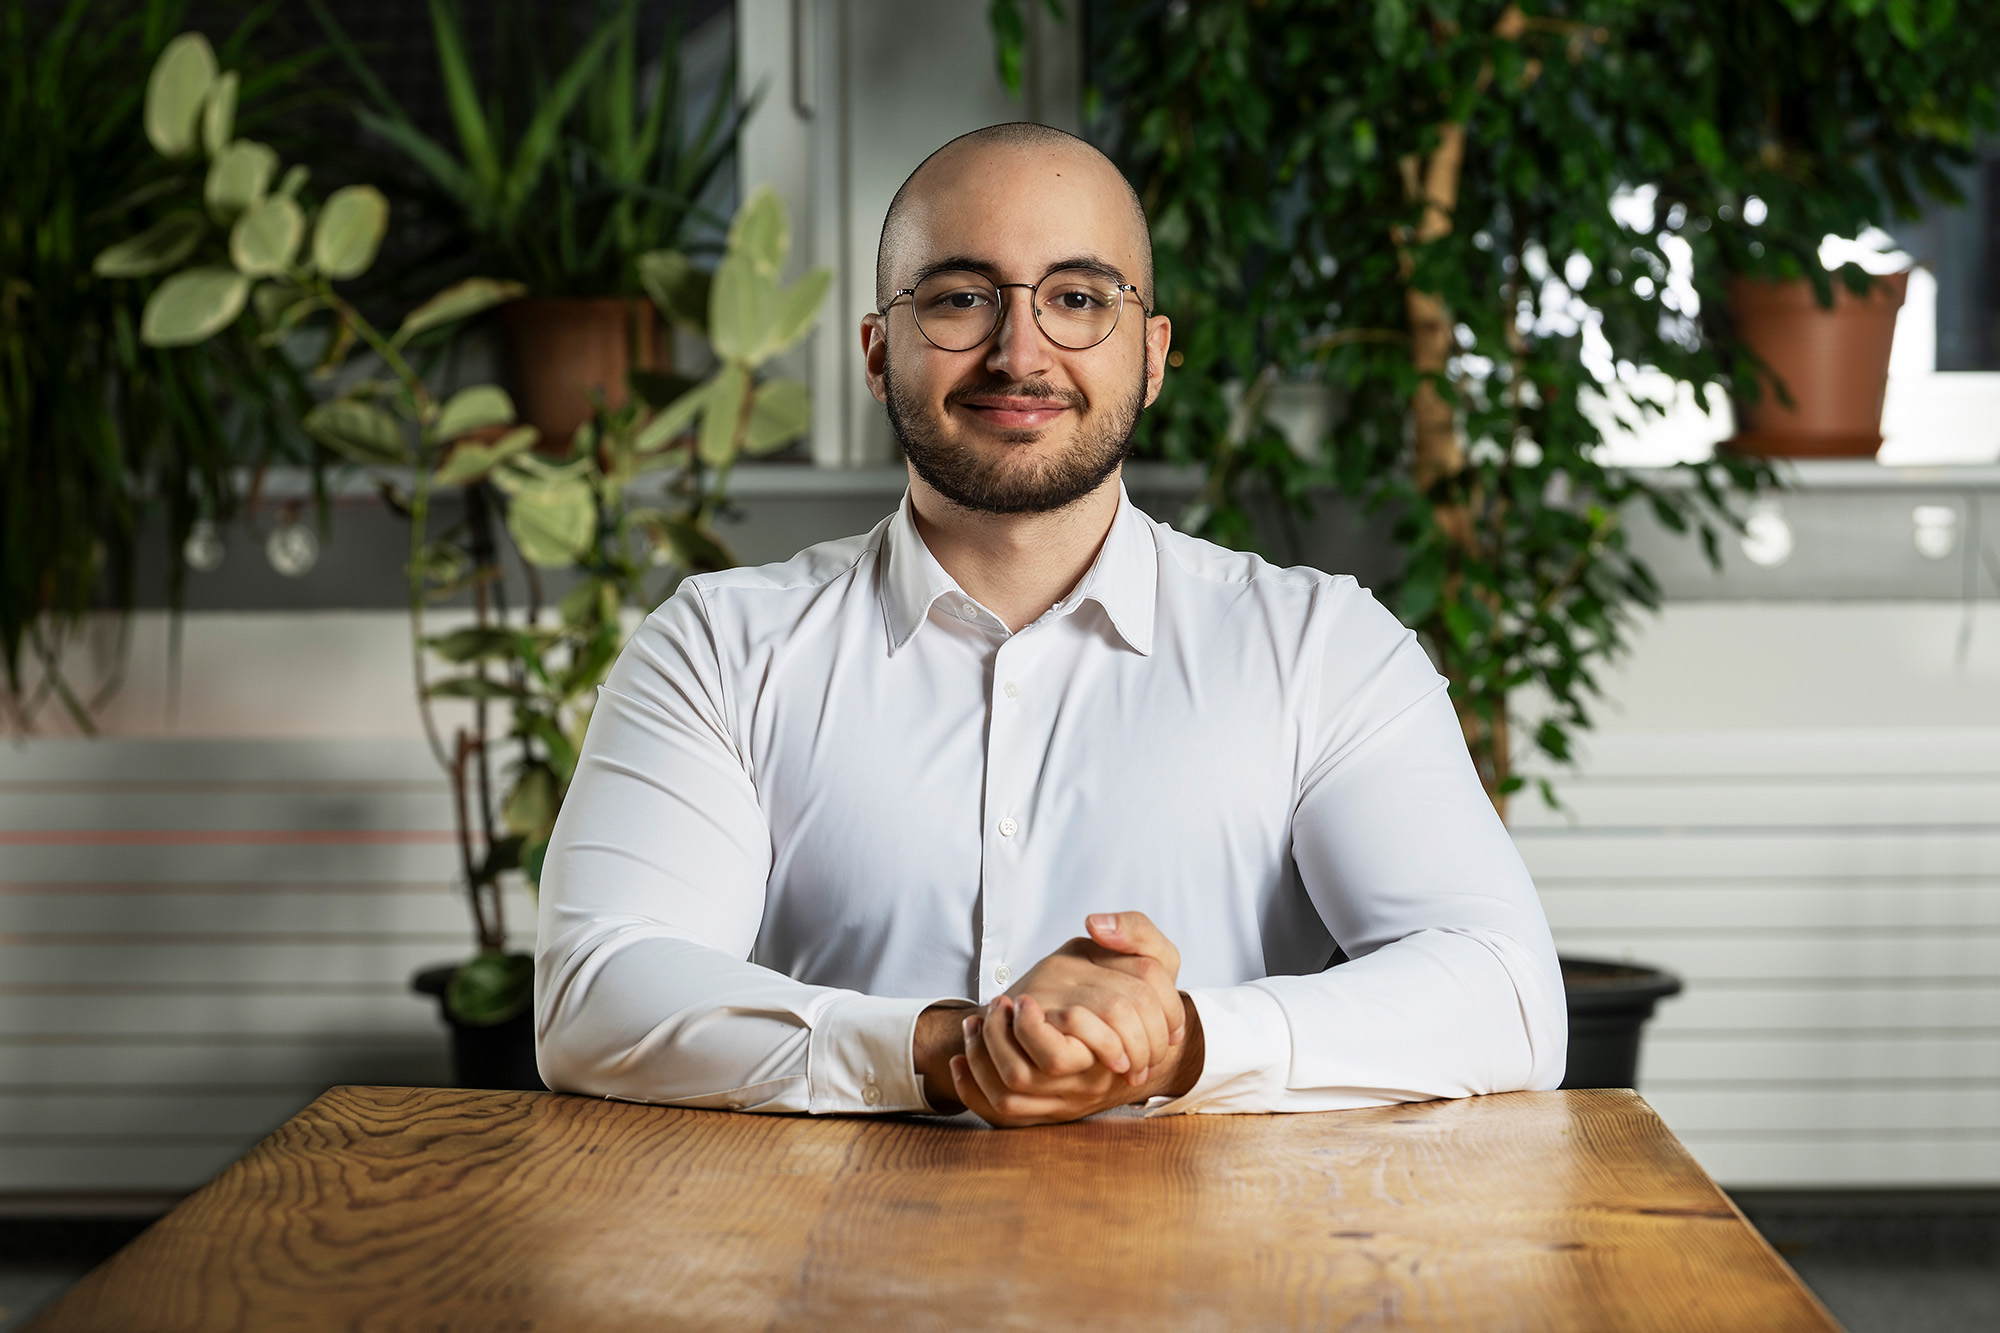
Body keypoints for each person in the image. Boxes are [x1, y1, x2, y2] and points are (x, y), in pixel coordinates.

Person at [534, 123, 1566, 1127]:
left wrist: (1175, 1043)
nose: (1017, 351)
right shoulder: (717, 647)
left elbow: (1506, 994)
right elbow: (596, 996)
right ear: (875, 351)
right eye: (956, 299)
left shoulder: (1323, 647)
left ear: (1153, 355)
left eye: (1076, 297)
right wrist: (948, 1050)